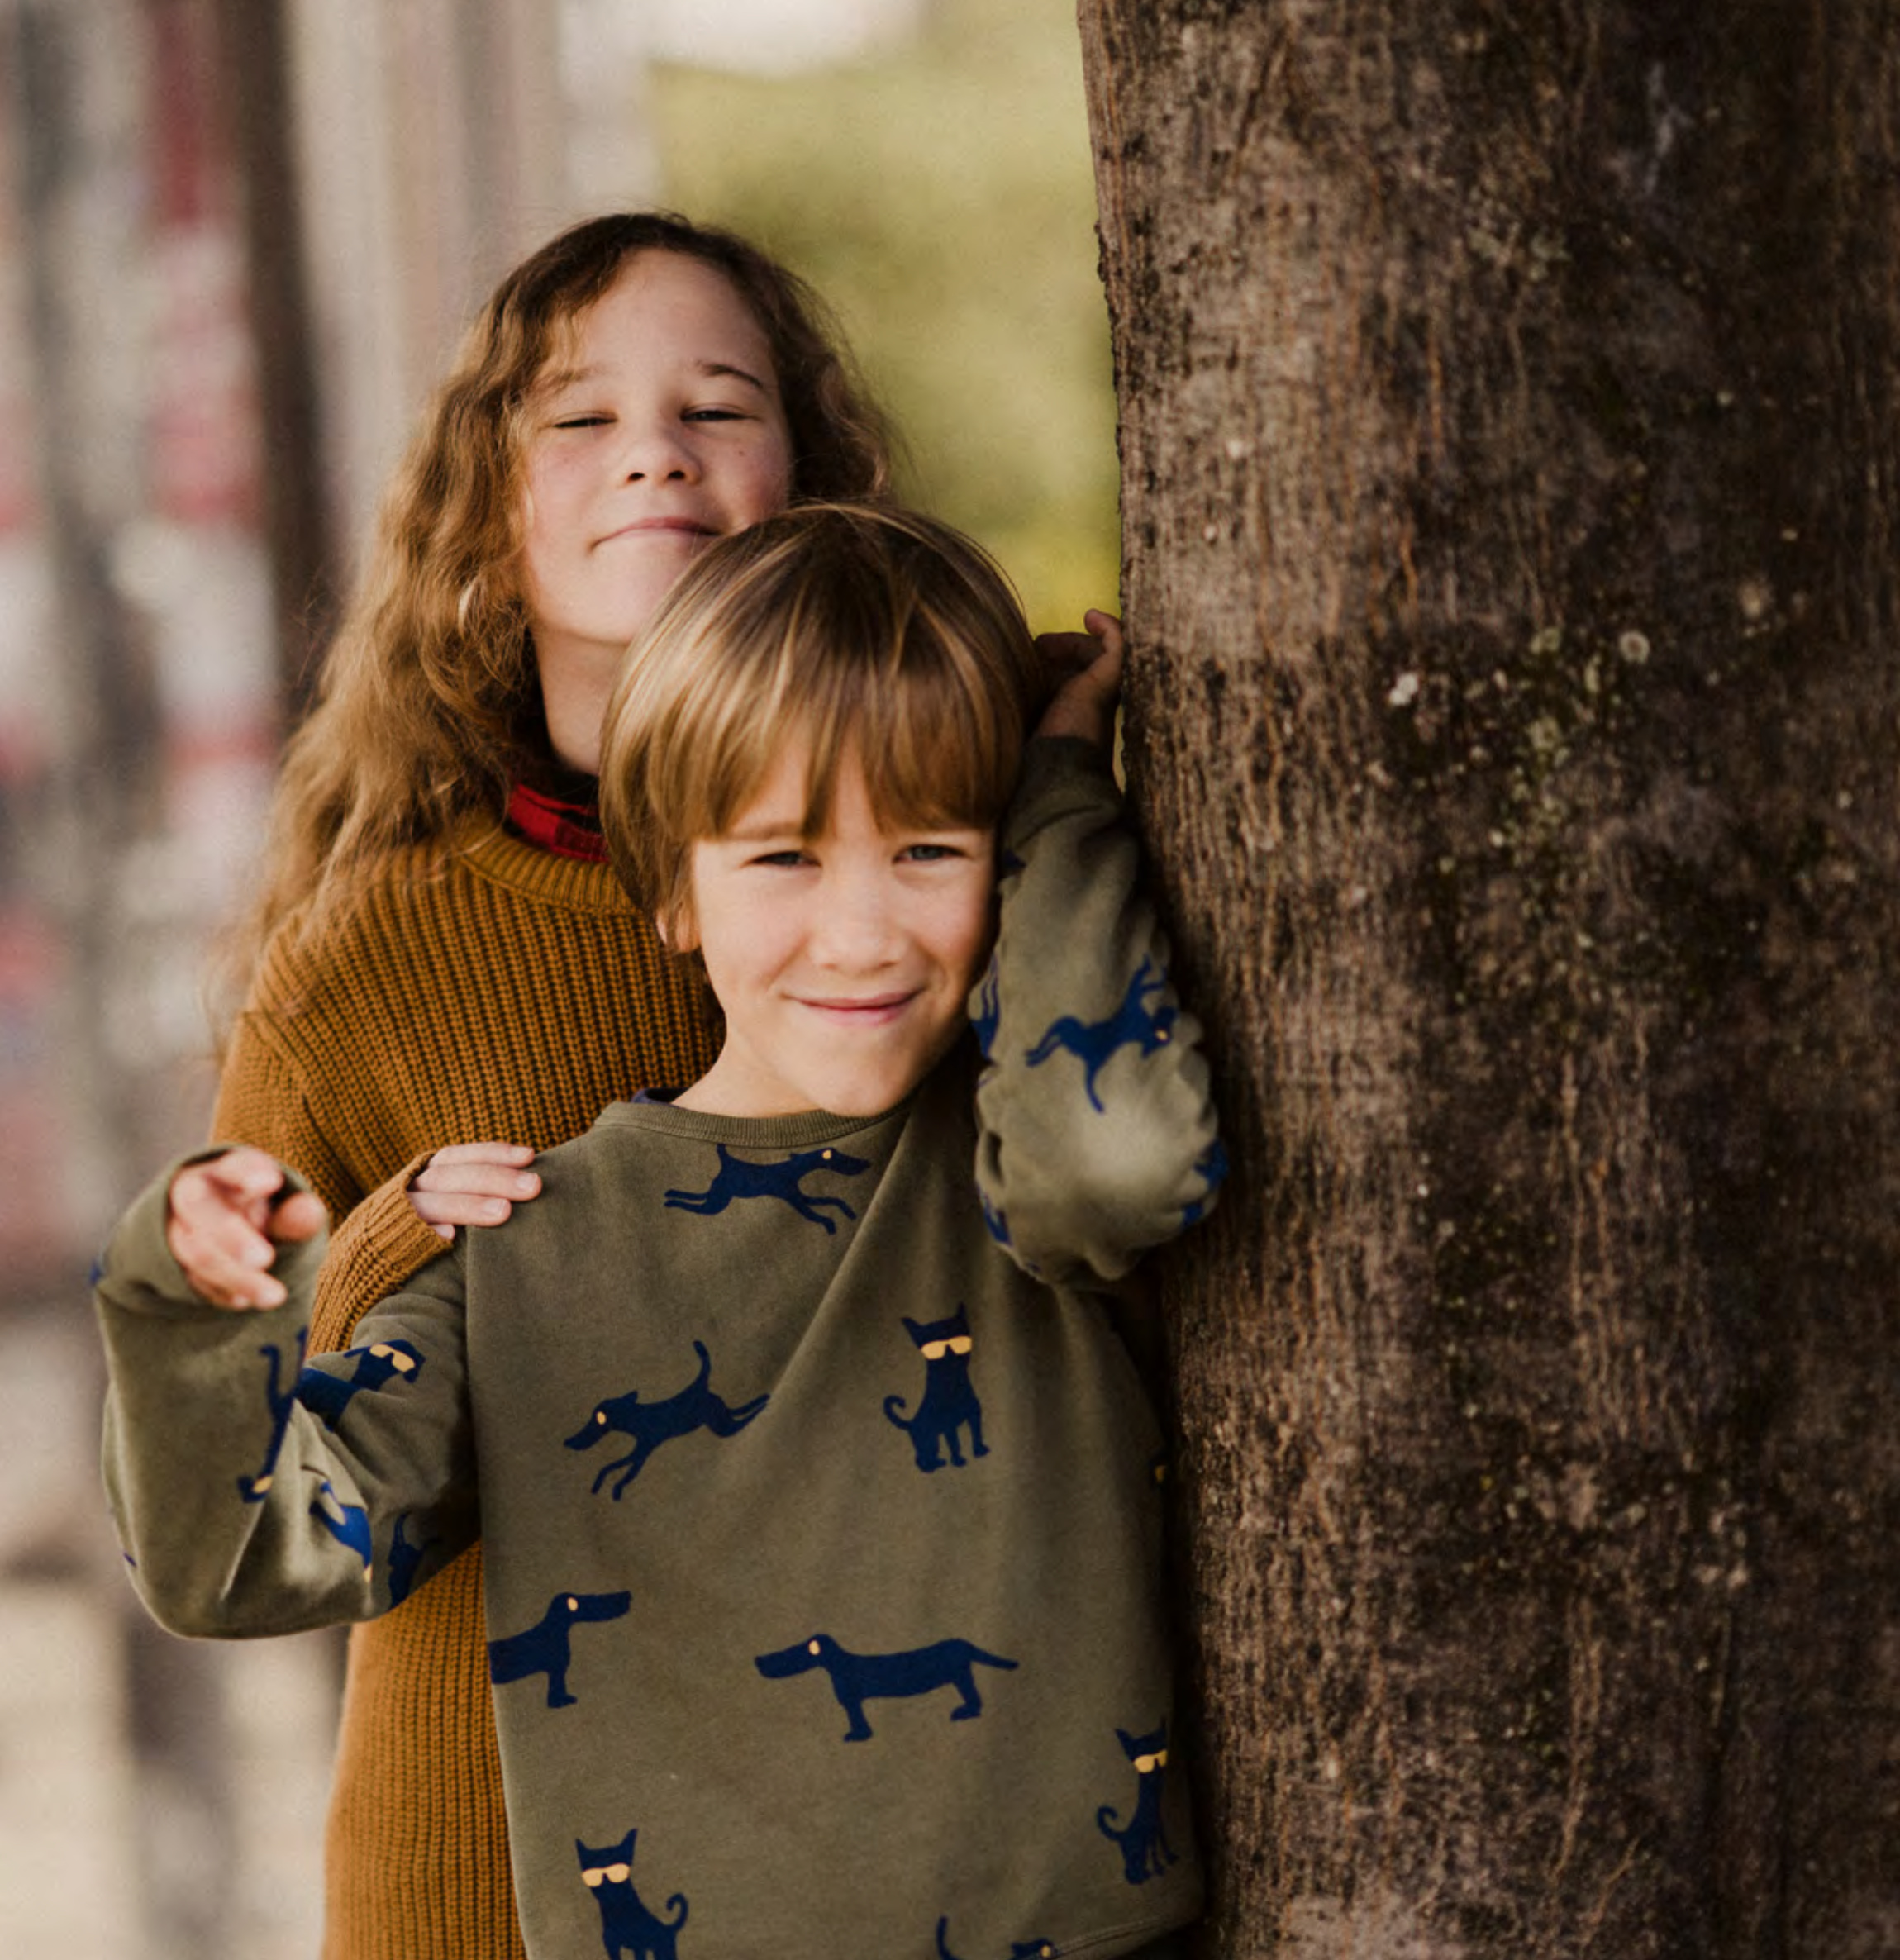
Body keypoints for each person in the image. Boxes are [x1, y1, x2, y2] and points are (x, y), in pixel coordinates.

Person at [95, 502, 1223, 1959]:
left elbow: (1126, 1164)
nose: (863, 933)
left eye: (930, 850)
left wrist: (1065, 794)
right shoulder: (525, 1252)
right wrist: (192, 1305)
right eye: (783, 858)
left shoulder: (1012, 1158)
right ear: (674, 888)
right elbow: (244, 1561)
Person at [155, 212, 891, 1958]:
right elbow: (230, 1473)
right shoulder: (367, 955)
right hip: (486, 1853)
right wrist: (399, 1243)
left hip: (878, 1830)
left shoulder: (925, 885)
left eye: (720, 406)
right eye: (580, 417)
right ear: (487, 512)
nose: (657, 450)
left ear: (807, 481)